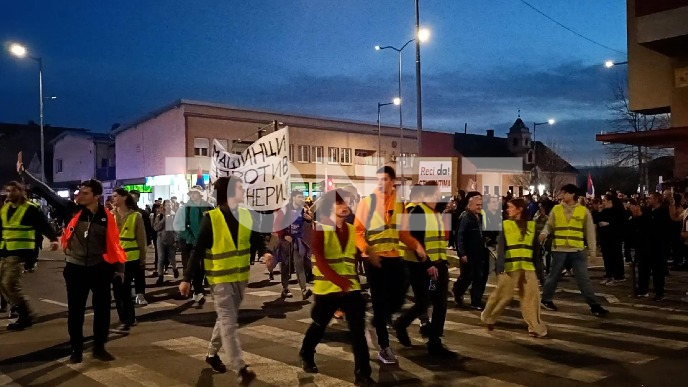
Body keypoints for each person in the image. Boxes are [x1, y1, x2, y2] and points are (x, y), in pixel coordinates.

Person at [17, 153, 126, 363]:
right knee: (75, 311)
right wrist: (25, 174)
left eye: (84, 193)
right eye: (79, 192)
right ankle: (76, 348)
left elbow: (114, 244)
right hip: (75, 268)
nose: (79, 195)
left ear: (96, 196)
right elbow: (47, 192)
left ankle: (99, 347)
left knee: (102, 310)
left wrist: (119, 269)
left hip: (100, 268)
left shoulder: (106, 216)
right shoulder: (71, 210)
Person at [180, 176, 272, 385]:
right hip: (220, 279)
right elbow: (197, 249)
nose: (243, 190)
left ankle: (212, 354)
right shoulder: (211, 218)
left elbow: (256, 238)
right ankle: (240, 367)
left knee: (224, 319)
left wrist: (264, 251)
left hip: (240, 278)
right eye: (239, 187)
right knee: (229, 323)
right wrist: (186, 278)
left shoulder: (247, 215)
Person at [299, 189, 377, 386]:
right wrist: (339, 281)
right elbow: (321, 261)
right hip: (328, 289)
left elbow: (357, 256)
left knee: (358, 331)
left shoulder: (351, 230)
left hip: (351, 290)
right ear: (330, 206)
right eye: (339, 203)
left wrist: (371, 255)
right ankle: (307, 352)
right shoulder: (320, 229)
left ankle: (363, 374)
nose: (345, 206)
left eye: (346, 203)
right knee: (319, 325)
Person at [354, 166, 425, 365]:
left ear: (392, 181)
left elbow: (402, 233)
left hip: (394, 257)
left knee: (397, 300)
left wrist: (416, 245)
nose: (380, 182)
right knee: (379, 301)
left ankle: (377, 322)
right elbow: (358, 232)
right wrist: (367, 251)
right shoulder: (367, 203)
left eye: (385, 179)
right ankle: (384, 348)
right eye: (378, 179)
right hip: (374, 259)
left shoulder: (400, 204)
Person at [393, 182, 456, 357]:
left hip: (438, 265)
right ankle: (403, 324)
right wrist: (428, 263)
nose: (439, 195)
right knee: (426, 302)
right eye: (437, 192)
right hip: (424, 267)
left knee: (439, 303)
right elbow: (415, 240)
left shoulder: (435, 212)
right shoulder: (419, 211)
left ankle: (434, 342)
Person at [539, 184, 609, 316]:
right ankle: (546, 299)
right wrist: (544, 233)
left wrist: (593, 251)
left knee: (583, 279)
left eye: (564, 193)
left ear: (572, 195)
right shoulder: (556, 209)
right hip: (559, 249)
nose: (562, 195)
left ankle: (594, 305)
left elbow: (590, 232)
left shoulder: (583, 211)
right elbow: (549, 225)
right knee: (553, 277)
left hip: (577, 250)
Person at [481, 198, 547, 337]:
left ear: (520, 209)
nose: (507, 209)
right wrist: (500, 267)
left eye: (510, 207)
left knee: (532, 297)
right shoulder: (505, 225)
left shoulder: (531, 225)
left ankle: (535, 326)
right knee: (503, 295)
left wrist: (539, 271)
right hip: (510, 267)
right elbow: (501, 249)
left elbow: (536, 250)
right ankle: (488, 317)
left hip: (528, 266)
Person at [0, 181, 59, 330]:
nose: (10, 194)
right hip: (5, 251)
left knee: (9, 283)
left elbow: (43, 225)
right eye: (8, 191)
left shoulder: (30, 209)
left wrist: (53, 239)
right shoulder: (5, 209)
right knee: (2, 284)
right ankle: (20, 311)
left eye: (13, 191)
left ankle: (25, 314)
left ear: (21, 191)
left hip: (20, 253)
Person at [110, 188, 147, 333]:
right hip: (114, 259)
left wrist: (143, 260)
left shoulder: (135, 216)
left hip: (130, 259)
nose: (113, 198)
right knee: (117, 291)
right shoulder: (110, 216)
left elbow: (141, 240)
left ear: (124, 197)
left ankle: (128, 320)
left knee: (124, 289)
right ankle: (126, 318)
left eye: (115, 196)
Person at [174, 186, 213, 305]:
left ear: (201, 194)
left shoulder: (209, 207)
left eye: (195, 193)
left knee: (202, 268)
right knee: (192, 267)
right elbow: (179, 227)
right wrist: (192, 239)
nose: (193, 195)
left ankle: (197, 291)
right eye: (191, 193)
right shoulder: (185, 208)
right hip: (189, 243)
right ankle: (197, 291)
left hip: (204, 243)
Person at [272, 190, 313, 300]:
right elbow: (276, 225)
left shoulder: (302, 211)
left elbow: (306, 223)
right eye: (299, 197)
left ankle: (304, 290)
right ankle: (285, 288)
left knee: (299, 265)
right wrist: (284, 235)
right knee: (286, 265)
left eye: (302, 197)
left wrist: (309, 219)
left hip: (297, 242)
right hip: (286, 243)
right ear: (293, 198)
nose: (302, 199)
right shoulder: (284, 210)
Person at [452, 192, 489, 310]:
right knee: (468, 276)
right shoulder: (465, 217)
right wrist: (462, 253)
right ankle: (458, 290)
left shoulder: (479, 216)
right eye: (477, 205)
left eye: (480, 205)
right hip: (469, 253)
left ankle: (476, 301)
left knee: (479, 276)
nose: (479, 207)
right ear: (470, 205)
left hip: (478, 252)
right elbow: (460, 236)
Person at [639, 192, 672, 301]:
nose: (648, 200)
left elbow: (664, 230)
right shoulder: (647, 211)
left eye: (650, 198)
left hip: (658, 246)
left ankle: (659, 292)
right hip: (646, 245)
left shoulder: (663, 212)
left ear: (657, 199)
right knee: (644, 269)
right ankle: (643, 289)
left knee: (658, 271)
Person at [128, 190, 153, 306]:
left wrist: (147, 243)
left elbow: (147, 230)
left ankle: (140, 294)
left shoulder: (142, 213)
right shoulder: (121, 213)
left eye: (134, 198)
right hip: (124, 249)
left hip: (138, 247)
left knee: (139, 271)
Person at [597, 194, 627, 285]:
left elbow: (621, 223)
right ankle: (609, 274)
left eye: (605, 201)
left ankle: (618, 275)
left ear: (611, 201)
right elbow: (597, 220)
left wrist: (609, 224)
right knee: (607, 257)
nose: (603, 203)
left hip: (615, 237)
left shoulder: (618, 211)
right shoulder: (605, 211)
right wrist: (599, 211)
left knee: (616, 256)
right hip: (605, 237)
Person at [153, 200, 178, 285]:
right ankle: (160, 276)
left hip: (171, 239)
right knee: (161, 258)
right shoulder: (159, 216)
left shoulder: (174, 215)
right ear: (163, 206)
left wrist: (176, 239)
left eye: (169, 205)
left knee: (172, 257)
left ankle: (174, 268)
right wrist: (164, 219)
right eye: (166, 205)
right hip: (160, 239)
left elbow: (176, 228)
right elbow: (156, 228)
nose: (168, 207)